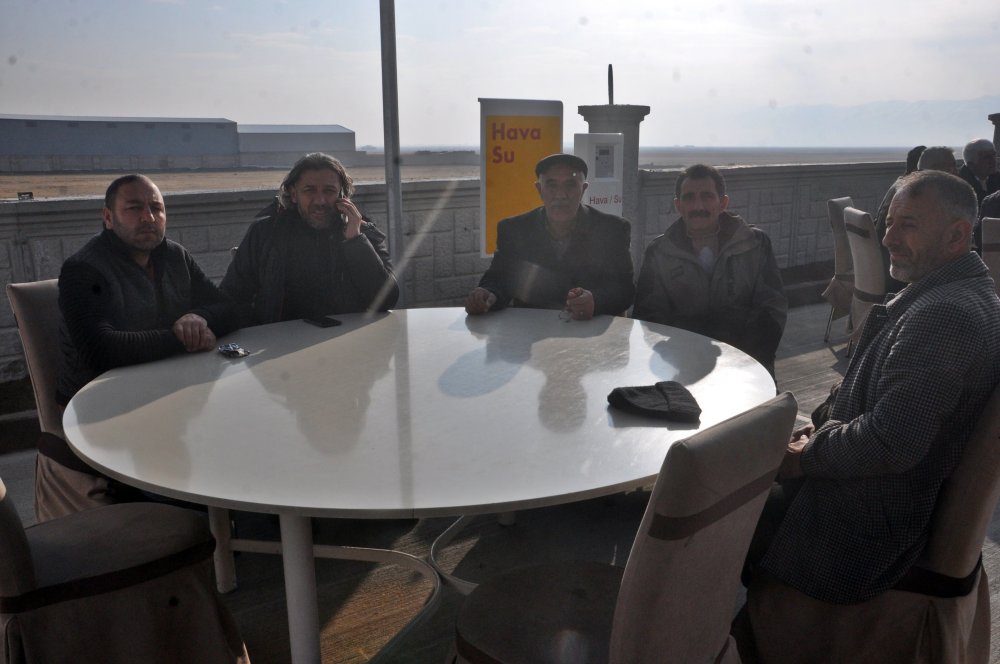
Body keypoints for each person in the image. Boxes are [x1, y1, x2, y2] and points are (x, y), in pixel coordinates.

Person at [745, 170, 1000, 608]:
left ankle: (746, 629)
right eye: (889, 223)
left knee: (717, 509)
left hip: (862, 528)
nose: (887, 239)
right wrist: (818, 432)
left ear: (957, 235)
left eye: (908, 225)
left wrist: (806, 457)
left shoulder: (944, 316)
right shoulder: (966, 294)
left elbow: (890, 442)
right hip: (876, 497)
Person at [49, 174, 240, 520]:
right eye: (134, 208)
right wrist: (181, 338)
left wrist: (198, 316)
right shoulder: (82, 270)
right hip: (101, 409)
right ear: (108, 218)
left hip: (166, 395)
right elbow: (100, 350)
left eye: (156, 208)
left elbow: (228, 307)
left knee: (238, 441)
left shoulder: (175, 256)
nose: (148, 218)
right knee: (201, 489)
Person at [632, 164, 787, 374]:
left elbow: (771, 311)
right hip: (683, 369)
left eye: (707, 196)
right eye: (689, 198)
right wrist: (690, 358)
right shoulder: (659, 252)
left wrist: (739, 361)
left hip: (747, 368)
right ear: (678, 205)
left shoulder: (755, 244)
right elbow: (649, 320)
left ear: (723, 203)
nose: (698, 206)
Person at [221, 152, 398, 326]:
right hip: (280, 340)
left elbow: (387, 300)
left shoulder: (360, 231)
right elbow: (231, 297)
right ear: (293, 194)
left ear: (342, 195)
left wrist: (355, 241)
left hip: (346, 339)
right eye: (309, 190)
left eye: (329, 191)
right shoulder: (266, 234)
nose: (320, 201)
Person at [464, 153, 634, 320]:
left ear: (583, 189)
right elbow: (499, 278)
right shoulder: (514, 229)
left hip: (587, 330)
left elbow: (625, 290)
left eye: (570, 185)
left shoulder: (612, 230)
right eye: (552, 185)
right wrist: (487, 295)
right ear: (539, 189)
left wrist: (595, 301)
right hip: (530, 332)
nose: (561, 195)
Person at [873, 146, 958, 289]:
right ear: (935, 170)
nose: (956, 173)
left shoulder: (905, 187)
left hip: (887, 264)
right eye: (952, 169)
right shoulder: (917, 196)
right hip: (900, 273)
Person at [958, 138, 1000, 205]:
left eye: (994, 154)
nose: (993, 160)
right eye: (987, 157)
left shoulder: (996, 177)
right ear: (971, 164)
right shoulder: (960, 186)